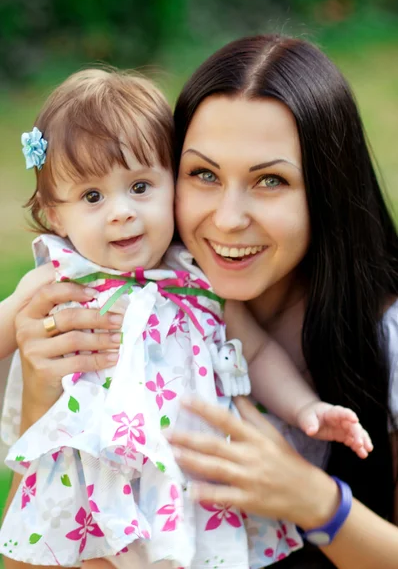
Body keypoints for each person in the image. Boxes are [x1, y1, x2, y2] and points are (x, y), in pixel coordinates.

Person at [0, 65, 370, 569]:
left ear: (172, 184)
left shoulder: (194, 279)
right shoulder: (61, 281)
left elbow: (256, 353)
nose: (121, 212)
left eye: (140, 186)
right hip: (93, 483)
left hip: (187, 487)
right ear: (54, 214)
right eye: (92, 197)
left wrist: (305, 409)